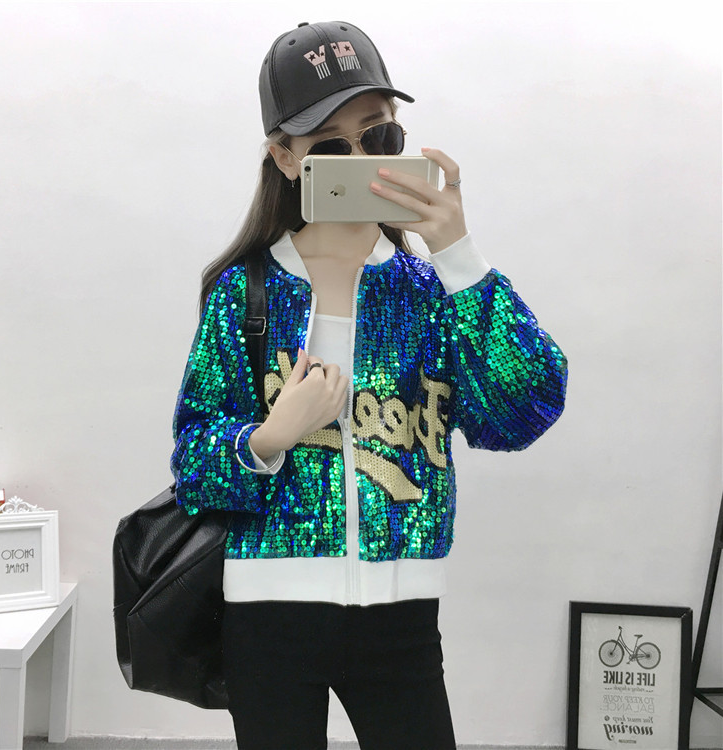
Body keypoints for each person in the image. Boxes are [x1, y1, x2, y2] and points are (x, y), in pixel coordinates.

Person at [171, 20, 567, 750]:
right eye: (330, 147)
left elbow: (524, 411)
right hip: (267, 614)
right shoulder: (246, 293)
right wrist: (269, 437)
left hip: (402, 616)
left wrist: (460, 257)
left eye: (379, 136)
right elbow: (192, 462)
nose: (361, 162)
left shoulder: (432, 292)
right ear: (285, 157)